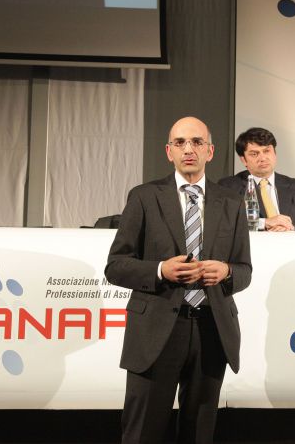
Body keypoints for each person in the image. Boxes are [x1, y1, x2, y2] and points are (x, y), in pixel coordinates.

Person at [106, 117, 252, 444]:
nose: (189, 149)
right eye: (180, 142)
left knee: (198, 433)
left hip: (212, 329)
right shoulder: (144, 197)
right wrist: (161, 270)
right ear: (168, 151)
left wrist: (226, 272)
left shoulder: (231, 202)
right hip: (156, 330)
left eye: (197, 142)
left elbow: (244, 270)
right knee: (143, 432)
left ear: (210, 151)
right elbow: (115, 266)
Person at [219, 127, 295, 231]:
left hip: (291, 241)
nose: (262, 158)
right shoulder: (229, 187)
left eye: (266, 151)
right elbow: (223, 223)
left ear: (275, 153)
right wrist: (264, 223)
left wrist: (292, 229)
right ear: (243, 160)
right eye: (254, 154)